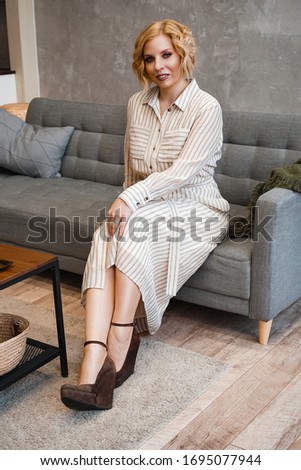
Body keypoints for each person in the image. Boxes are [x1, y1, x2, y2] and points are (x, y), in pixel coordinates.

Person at [60, 19, 230, 410]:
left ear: (184, 54)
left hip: (196, 205)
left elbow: (183, 173)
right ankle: (92, 361)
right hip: (148, 202)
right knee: (108, 230)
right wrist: (127, 202)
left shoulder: (207, 107)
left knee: (132, 221)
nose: (159, 66)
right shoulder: (137, 103)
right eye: (150, 58)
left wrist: (132, 201)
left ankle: (121, 337)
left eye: (167, 55)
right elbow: (131, 170)